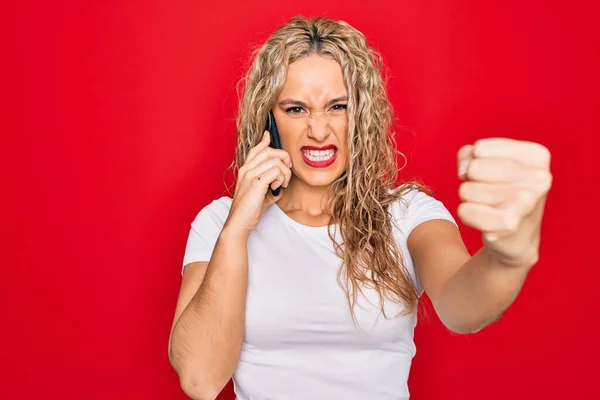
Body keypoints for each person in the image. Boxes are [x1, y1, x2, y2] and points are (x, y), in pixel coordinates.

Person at [167, 16, 553, 400]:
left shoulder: (407, 215)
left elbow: (462, 307)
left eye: (337, 106)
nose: (319, 131)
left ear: (361, 115)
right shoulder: (219, 222)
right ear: (270, 119)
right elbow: (200, 380)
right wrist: (237, 230)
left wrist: (508, 259)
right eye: (296, 109)